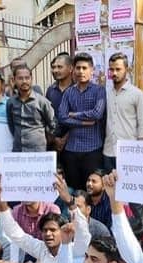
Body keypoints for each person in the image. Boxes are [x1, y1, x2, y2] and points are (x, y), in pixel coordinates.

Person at [58, 53, 106, 190]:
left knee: (92, 190)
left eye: (85, 68)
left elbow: (97, 114)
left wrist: (74, 114)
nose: (81, 72)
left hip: (92, 150)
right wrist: (83, 122)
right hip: (71, 150)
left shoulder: (99, 91)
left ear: (92, 70)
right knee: (73, 189)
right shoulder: (68, 92)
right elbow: (62, 117)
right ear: (73, 70)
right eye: (78, 68)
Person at [102, 52, 143, 170]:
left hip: (129, 152)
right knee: (109, 187)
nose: (114, 73)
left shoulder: (137, 94)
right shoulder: (105, 94)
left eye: (118, 69)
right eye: (111, 70)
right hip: (108, 151)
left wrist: (139, 153)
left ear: (127, 70)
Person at [6, 65, 56, 153]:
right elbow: (11, 125)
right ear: (14, 80)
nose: (24, 81)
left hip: (38, 150)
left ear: (31, 79)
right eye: (20, 78)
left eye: (27, 78)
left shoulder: (42, 101)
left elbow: (53, 124)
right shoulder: (11, 102)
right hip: (18, 149)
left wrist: (45, 139)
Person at [46, 53, 73, 160]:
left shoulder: (76, 89)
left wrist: (65, 139)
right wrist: (55, 139)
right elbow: (47, 117)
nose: (55, 70)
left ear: (70, 68)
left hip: (73, 143)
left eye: (59, 67)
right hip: (53, 143)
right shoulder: (50, 90)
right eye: (53, 67)